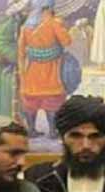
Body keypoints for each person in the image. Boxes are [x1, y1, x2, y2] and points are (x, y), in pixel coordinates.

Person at [18, 0, 72, 137]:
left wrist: (22, 70)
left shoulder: (25, 27)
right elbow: (67, 41)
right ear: (46, 8)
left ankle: (31, 130)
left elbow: (21, 51)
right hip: (51, 71)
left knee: (31, 101)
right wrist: (62, 26)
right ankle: (52, 131)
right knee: (52, 101)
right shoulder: (53, 23)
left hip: (31, 72)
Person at [0, 0, 29, 117]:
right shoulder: (8, 23)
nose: (25, 11)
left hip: (16, 63)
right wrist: (17, 56)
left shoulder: (20, 21)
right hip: (9, 67)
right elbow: (1, 42)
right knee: (8, 95)